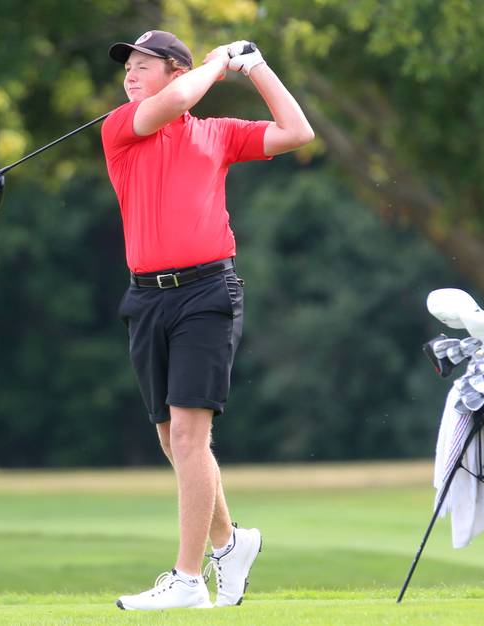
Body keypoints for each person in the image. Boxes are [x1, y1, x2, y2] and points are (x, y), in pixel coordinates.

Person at [100, 30, 314, 610]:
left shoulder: (216, 133)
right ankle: (231, 540)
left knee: (191, 435)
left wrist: (257, 67)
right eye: (128, 68)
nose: (131, 75)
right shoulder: (123, 126)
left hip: (207, 292)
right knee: (173, 439)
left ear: (175, 69)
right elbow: (171, 104)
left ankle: (189, 579)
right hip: (146, 299)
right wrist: (219, 64)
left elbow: (298, 132)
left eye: (145, 65)